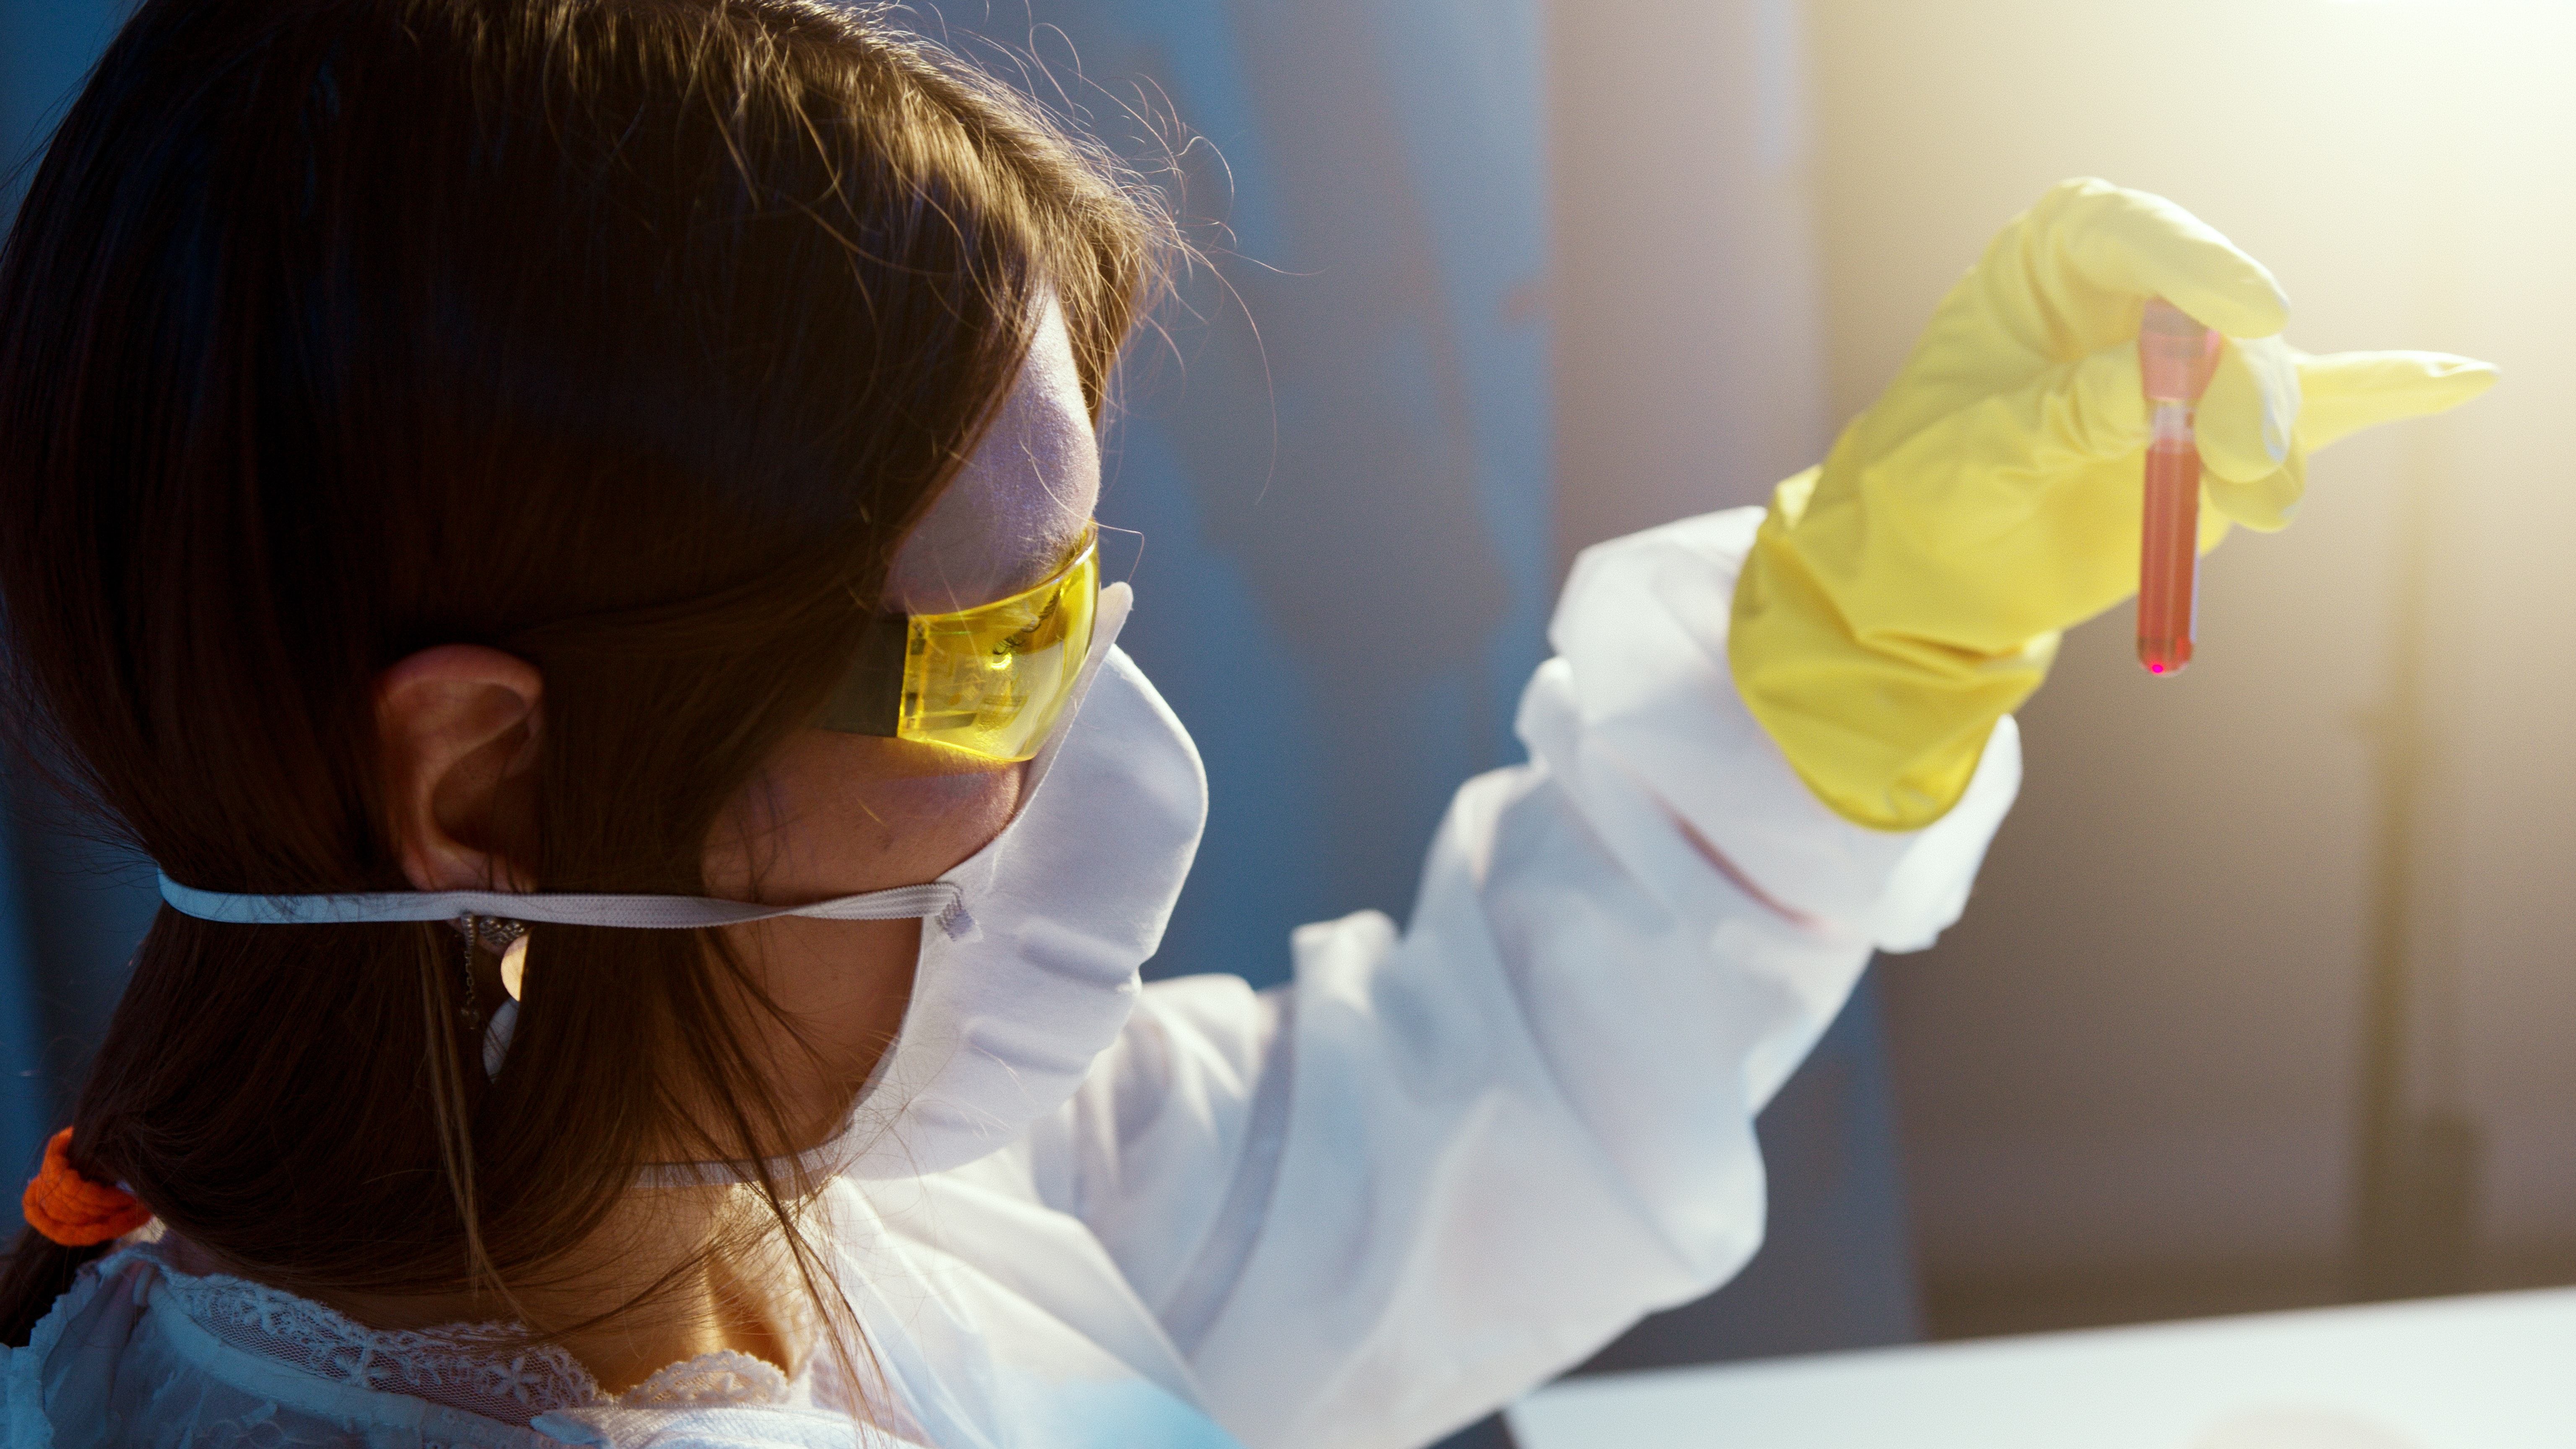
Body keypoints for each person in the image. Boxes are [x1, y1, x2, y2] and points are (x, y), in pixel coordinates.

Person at [0, 1, 2493, 1445]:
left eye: (1092, 592)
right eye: (992, 652)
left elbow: (1409, 1129)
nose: (1099, 733)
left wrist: (1859, 649)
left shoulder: (763, 1194)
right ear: (489, 789)